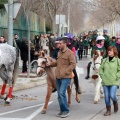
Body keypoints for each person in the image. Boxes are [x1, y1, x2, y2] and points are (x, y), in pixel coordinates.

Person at [47, 37, 76, 118]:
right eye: (58, 44)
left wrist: (66, 71)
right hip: (58, 77)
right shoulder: (59, 52)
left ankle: (66, 110)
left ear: (64, 43)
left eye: (60, 43)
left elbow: (73, 64)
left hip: (66, 77)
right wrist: (51, 64)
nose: (58, 45)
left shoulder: (70, 53)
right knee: (59, 95)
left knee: (61, 93)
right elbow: (58, 63)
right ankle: (62, 110)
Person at [99, 46, 120, 116]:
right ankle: (108, 110)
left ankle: (115, 102)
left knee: (112, 95)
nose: (109, 52)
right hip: (105, 81)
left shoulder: (117, 60)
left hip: (114, 81)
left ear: (114, 52)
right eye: (108, 50)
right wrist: (102, 75)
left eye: (110, 51)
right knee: (107, 96)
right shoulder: (104, 60)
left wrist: (117, 76)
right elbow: (101, 69)